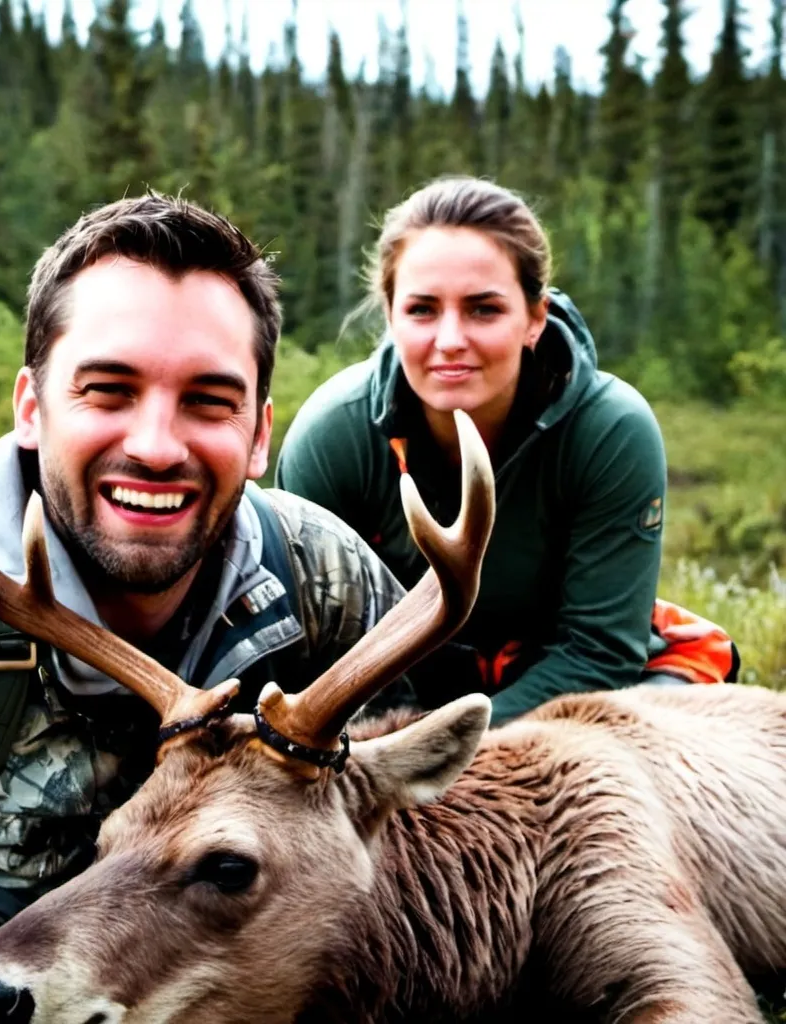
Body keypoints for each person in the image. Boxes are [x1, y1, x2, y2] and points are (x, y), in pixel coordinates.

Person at [0, 194, 410, 1022]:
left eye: (210, 400)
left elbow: (441, 805)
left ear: (259, 434)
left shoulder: (316, 574)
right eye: (108, 390)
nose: (155, 445)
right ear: (31, 408)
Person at [276, 176, 675, 726]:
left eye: (483, 309)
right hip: (391, 703)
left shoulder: (610, 431)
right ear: (390, 314)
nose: (450, 339)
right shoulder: (333, 437)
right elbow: (308, 648)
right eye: (422, 310)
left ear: (535, 318)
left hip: (555, 691)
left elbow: (600, 652)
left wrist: (455, 751)